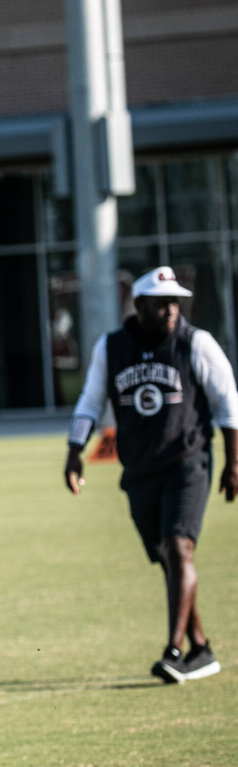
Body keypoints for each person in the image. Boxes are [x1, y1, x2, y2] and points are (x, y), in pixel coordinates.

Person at [64, 265, 238, 684]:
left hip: (187, 462)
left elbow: (227, 402)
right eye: (162, 304)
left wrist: (234, 463)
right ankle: (201, 649)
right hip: (140, 469)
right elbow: (90, 401)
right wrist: (74, 452)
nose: (171, 310)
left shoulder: (197, 343)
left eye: (176, 302)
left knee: (179, 548)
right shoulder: (111, 348)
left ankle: (173, 651)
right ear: (139, 305)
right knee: (167, 557)